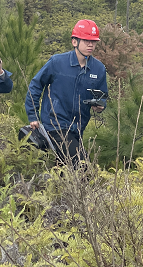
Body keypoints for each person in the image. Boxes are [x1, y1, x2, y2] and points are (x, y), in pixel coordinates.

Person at [25, 19, 108, 163]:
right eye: (87, 40)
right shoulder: (57, 62)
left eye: (94, 41)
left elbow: (102, 95)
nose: (91, 44)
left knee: (63, 171)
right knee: (82, 166)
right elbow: (35, 85)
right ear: (75, 41)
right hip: (55, 125)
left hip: (78, 129)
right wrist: (33, 115)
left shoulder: (98, 69)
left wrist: (100, 106)